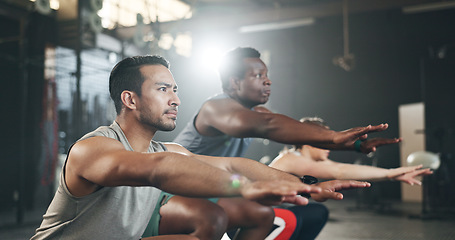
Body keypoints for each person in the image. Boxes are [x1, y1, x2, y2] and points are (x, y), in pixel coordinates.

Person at [31, 55, 370, 240]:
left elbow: (232, 166)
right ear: (130, 99)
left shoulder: (163, 149)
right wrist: (249, 189)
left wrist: (307, 186)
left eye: (175, 89)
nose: (176, 99)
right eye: (164, 89)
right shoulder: (93, 149)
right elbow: (160, 170)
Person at [166, 47, 402, 240]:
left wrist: (353, 145)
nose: (267, 81)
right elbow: (268, 124)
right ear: (234, 82)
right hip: (175, 189)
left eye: (267, 75)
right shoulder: (215, 108)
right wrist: (334, 137)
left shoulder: (255, 112)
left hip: (219, 183)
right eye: (258, 76)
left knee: (261, 213)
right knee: (256, 211)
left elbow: (292, 131)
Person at [269, 117, 433, 185]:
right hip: (260, 211)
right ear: (308, 143)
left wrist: (393, 175)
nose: (329, 148)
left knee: (316, 213)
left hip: (276, 208)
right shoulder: (290, 158)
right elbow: (340, 171)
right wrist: (391, 172)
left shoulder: (307, 159)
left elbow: (344, 169)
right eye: (324, 143)